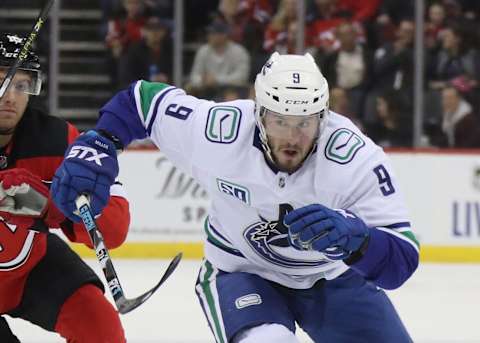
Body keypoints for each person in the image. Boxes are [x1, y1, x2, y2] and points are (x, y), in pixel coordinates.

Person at [51, 52, 420, 342]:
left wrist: (357, 239)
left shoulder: (355, 158)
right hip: (241, 270)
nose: (292, 137)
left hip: (330, 277)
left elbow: (402, 260)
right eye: (280, 121)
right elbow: (139, 101)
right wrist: (101, 141)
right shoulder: (219, 131)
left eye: (304, 123)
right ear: (259, 114)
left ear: (323, 118)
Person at [0, 34, 130, 342]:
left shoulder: (56, 140)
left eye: (22, 85)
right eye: (2, 81)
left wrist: (53, 206)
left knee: (100, 327)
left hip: (29, 268)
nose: (11, 97)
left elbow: (114, 230)